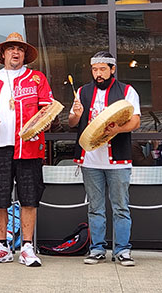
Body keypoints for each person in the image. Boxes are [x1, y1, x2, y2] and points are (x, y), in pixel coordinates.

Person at [0, 32, 55, 267]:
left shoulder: (36, 78)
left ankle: (27, 247)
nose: (15, 52)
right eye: (11, 49)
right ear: (3, 54)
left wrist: (44, 122)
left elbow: (47, 110)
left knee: (29, 198)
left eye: (20, 49)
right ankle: (2, 246)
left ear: (25, 55)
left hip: (28, 147)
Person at [69, 51, 140, 266]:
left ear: (112, 69)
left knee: (120, 207)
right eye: (94, 69)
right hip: (90, 160)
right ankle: (97, 249)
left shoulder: (127, 91)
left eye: (102, 69)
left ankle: (123, 250)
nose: (98, 74)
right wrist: (77, 114)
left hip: (117, 160)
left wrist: (117, 129)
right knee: (95, 207)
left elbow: (135, 121)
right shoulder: (82, 91)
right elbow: (72, 123)